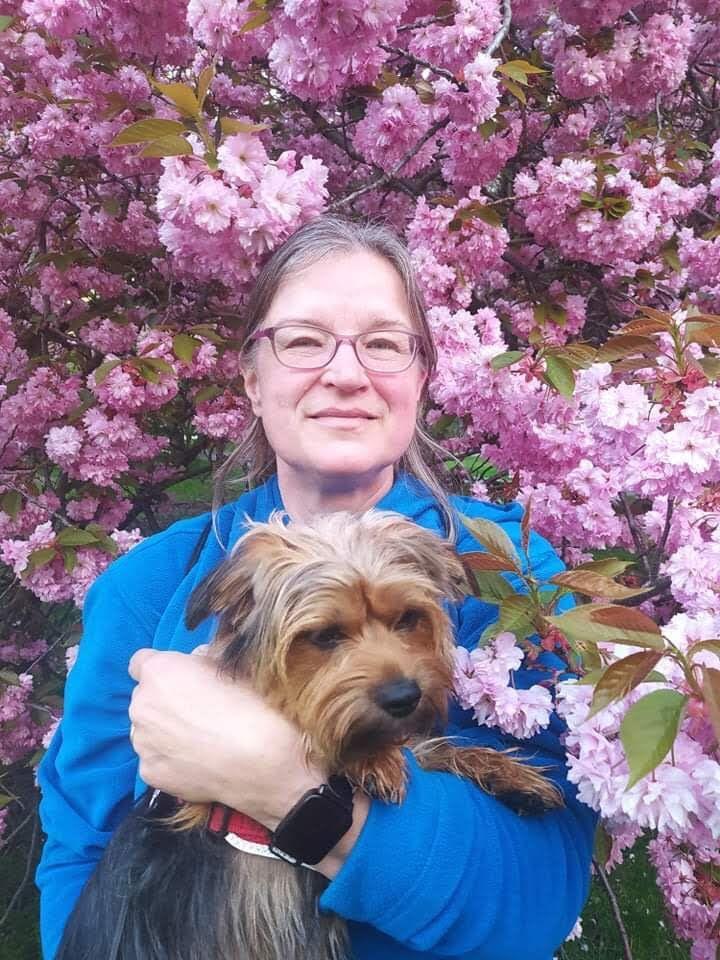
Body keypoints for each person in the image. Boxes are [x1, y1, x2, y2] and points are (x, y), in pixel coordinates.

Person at [36, 215, 597, 960]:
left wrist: (292, 789)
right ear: (250, 378)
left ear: (422, 376)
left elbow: (540, 899)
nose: (344, 372)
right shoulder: (148, 588)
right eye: (303, 340)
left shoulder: (510, 570)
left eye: (383, 343)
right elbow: (81, 852)